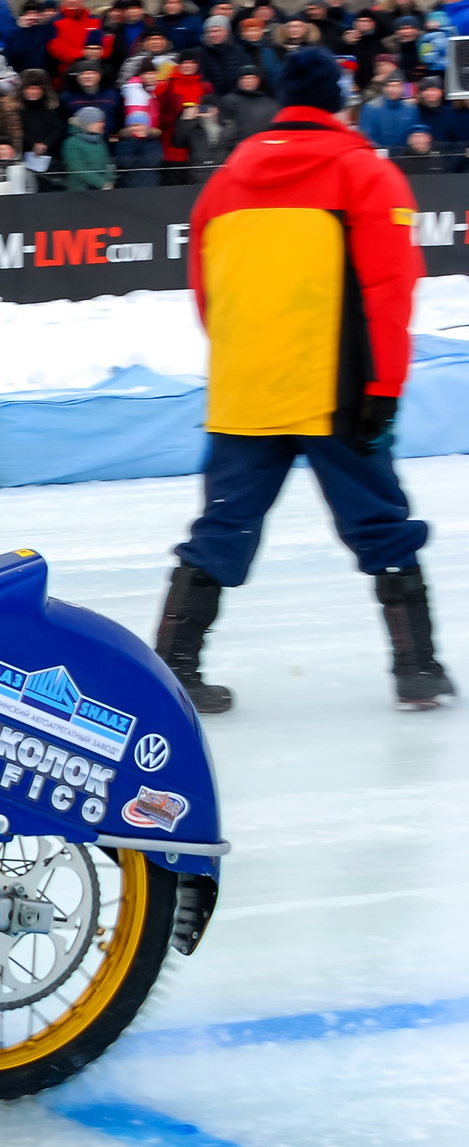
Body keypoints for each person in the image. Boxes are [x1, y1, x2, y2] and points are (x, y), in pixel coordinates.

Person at [156, 47, 452, 712]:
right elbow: (388, 290)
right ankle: (417, 669)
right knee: (381, 524)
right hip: (337, 392)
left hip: (245, 391)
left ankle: (175, 667)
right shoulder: (363, 174)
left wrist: (247, 358)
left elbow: (207, 295)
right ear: (338, 98)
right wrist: (384, 388)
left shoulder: (225, 182)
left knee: (221, 528)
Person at [61, 105, 115, 189]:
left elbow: (108, 163)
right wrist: (102, 183)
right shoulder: (72, 142)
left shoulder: (100, 140)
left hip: (102, 191)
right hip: (80, 191)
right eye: (99, 121)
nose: (103, 124)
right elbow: (77, 168)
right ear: (87, 123)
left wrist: (108, 180)